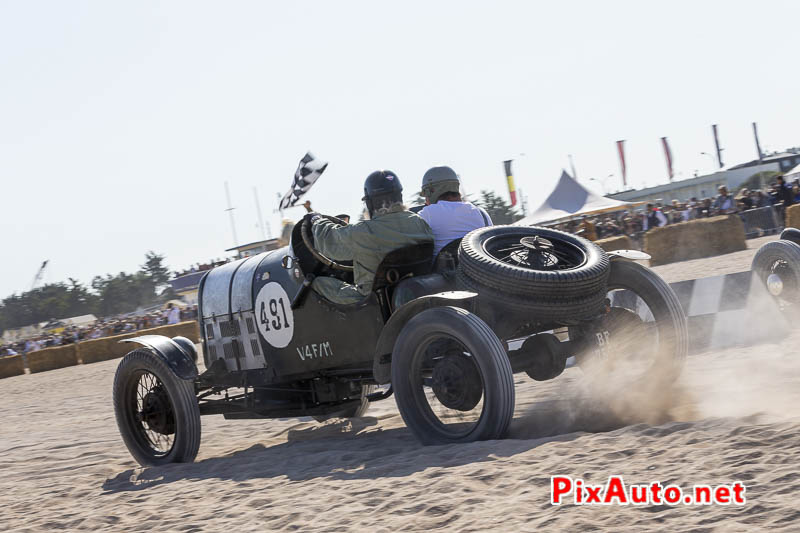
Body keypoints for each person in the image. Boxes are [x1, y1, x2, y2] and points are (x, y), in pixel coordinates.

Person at [308, 170, 434, 305]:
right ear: (399, 195)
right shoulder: (419, 222)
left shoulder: (363, 231)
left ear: (370, 203)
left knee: (317, 283)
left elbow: (328, 241)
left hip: (375, 302)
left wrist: (316, 220)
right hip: (416, 291)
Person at [417, 165, 492, 257]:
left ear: (431, 192)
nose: (426, 201)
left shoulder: (426, 215)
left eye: (425, 195)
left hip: (444, 271)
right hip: (481, 270)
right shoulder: (482, 213)